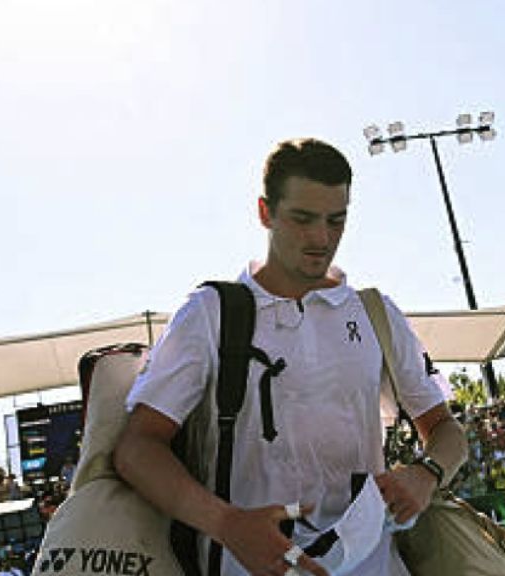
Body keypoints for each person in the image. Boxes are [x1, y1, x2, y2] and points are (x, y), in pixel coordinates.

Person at [114, 138, 468, 576]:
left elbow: (447, 431)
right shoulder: (210, 314)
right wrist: (227, 524)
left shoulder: (376, 313)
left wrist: (427, 473)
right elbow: (137, 449)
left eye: (336, 221)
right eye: (302, 219)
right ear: (265, 213)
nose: (321, 238)